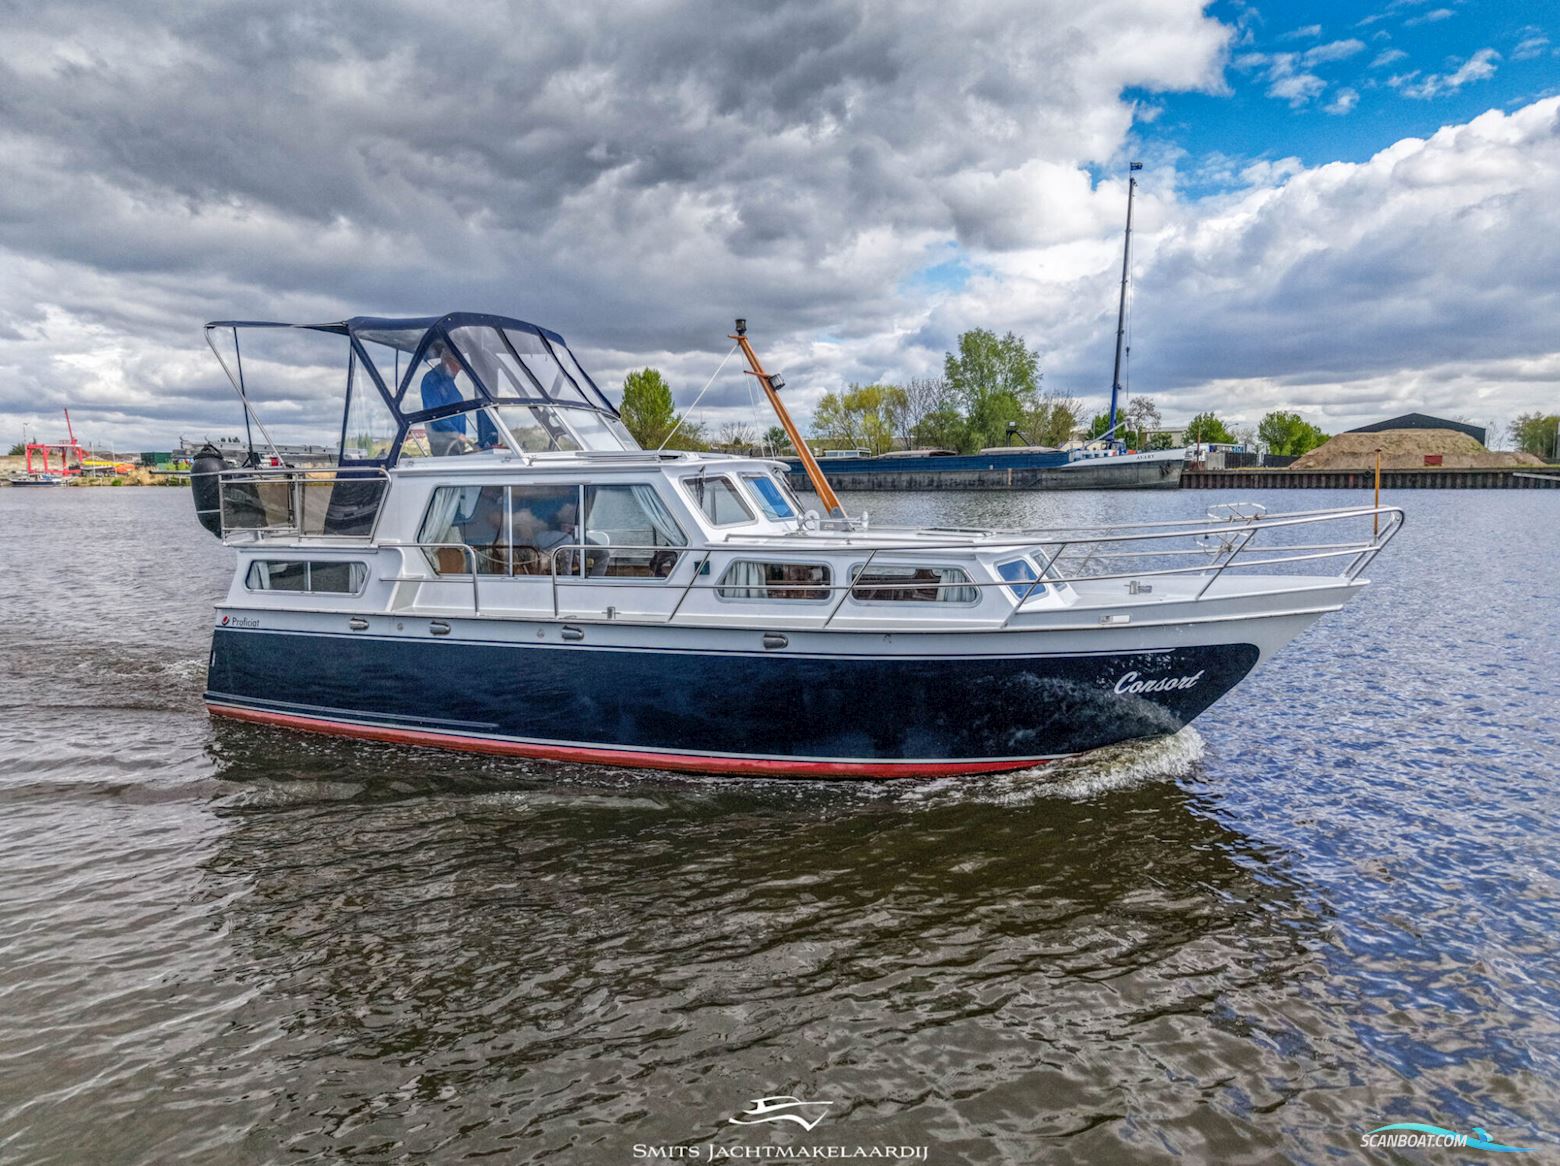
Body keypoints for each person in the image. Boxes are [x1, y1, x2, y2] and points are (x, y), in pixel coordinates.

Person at [420, 341, 499, 454]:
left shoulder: (449, 384)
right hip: (444, 446)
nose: (459, 369)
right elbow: (435, 414)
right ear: (445, 359)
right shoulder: (431, 381)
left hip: (457, 443)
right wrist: (456, 434)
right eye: (457, 363)